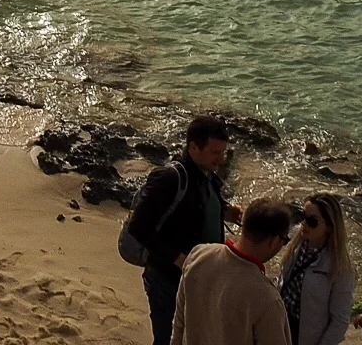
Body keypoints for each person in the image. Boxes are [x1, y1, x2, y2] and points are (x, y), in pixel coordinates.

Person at [125, 114, 246, 345]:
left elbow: (197, 208)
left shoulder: (206, 175)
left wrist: (226, 211)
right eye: (215, 152)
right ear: (193, 147)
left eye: (223, 152)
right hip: (167, 280)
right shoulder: (169, 177)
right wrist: (178, 259)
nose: (221, 159)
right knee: (168, 340)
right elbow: (138, 226)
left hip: (196, 279)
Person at [172, 200, 296, 345]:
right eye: (285, 240)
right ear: (274, 241)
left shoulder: (198, 255)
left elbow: (178, 324)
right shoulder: (267, 299)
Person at [281, 193, 356, 345]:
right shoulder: (296, 245)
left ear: (329, 226)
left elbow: (340, 321)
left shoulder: (340, 268)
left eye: (312, 221)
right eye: (302, 216)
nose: (304, 224)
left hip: (306, 337)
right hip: (281, 325)